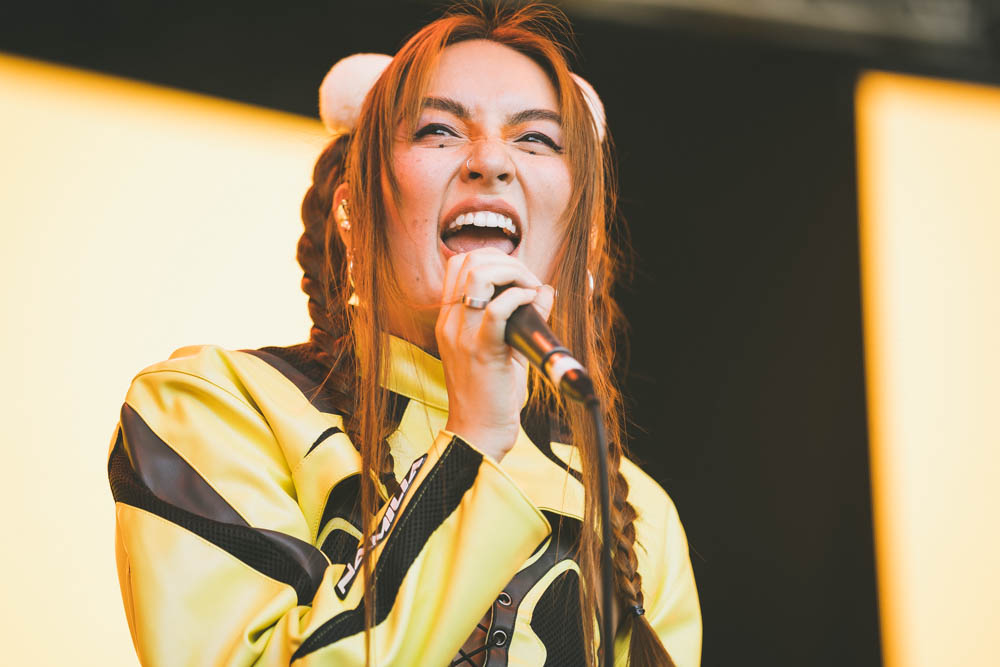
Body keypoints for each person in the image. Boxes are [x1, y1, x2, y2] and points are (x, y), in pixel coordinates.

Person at [108, 3, 701, 665]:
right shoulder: (211, 409)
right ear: (353, 210)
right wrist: (472, 440)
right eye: (439, 130)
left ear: (579, 238)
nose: (491, 160)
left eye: (536, 139)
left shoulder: (641, 517)